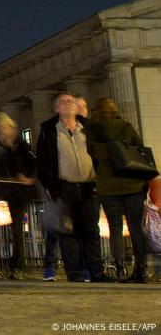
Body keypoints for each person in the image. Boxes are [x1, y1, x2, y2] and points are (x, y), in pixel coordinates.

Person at [35, 92, 108, 282]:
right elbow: (42, 162)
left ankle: (96, 272)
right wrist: (51, 188)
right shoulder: (49, 130)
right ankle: (74, 272)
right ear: (56, 108)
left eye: (70, 101)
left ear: (76, 107)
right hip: (64, 188)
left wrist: (99, 181)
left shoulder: (89, 128)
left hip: (88, 187)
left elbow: (102, 155)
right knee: (69, 232)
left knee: (91, 231)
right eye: (63, 102)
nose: (68, 104)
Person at [86, 98, 150, 283]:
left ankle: (120, 269)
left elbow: (93, 157)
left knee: (115, 227)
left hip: (107, 185)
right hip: (131, 183)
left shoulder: (91, 132)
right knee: (135, 227)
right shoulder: (125, 127)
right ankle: (142, 269)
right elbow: (140, 150)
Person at [0, 112, 37, 280]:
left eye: (3, 126)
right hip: (5, 190)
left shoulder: (20, 145)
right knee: (12, 230)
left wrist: (29, 178)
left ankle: (19, 263)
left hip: (18, 192)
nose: (1, 130)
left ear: (10, 127)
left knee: (17, 229)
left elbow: (32, 164)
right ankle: (15, 261)